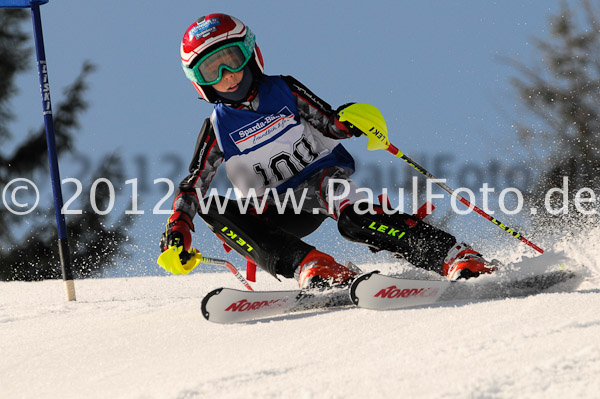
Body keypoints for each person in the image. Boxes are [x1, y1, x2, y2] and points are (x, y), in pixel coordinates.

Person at [159, 13, 496, 288]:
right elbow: (194, 185)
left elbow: (328, 124)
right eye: (211, 71)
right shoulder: (218, 128)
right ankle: (313, 266)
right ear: (199, 81)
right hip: (277, 208)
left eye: (231, 60)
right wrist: (178, 228)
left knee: (354, 219)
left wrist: (351, 121)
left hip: (321, 184)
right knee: (213, 206)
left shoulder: (284, 91)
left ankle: (453, 256)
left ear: (250, 55)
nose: (227, 76)